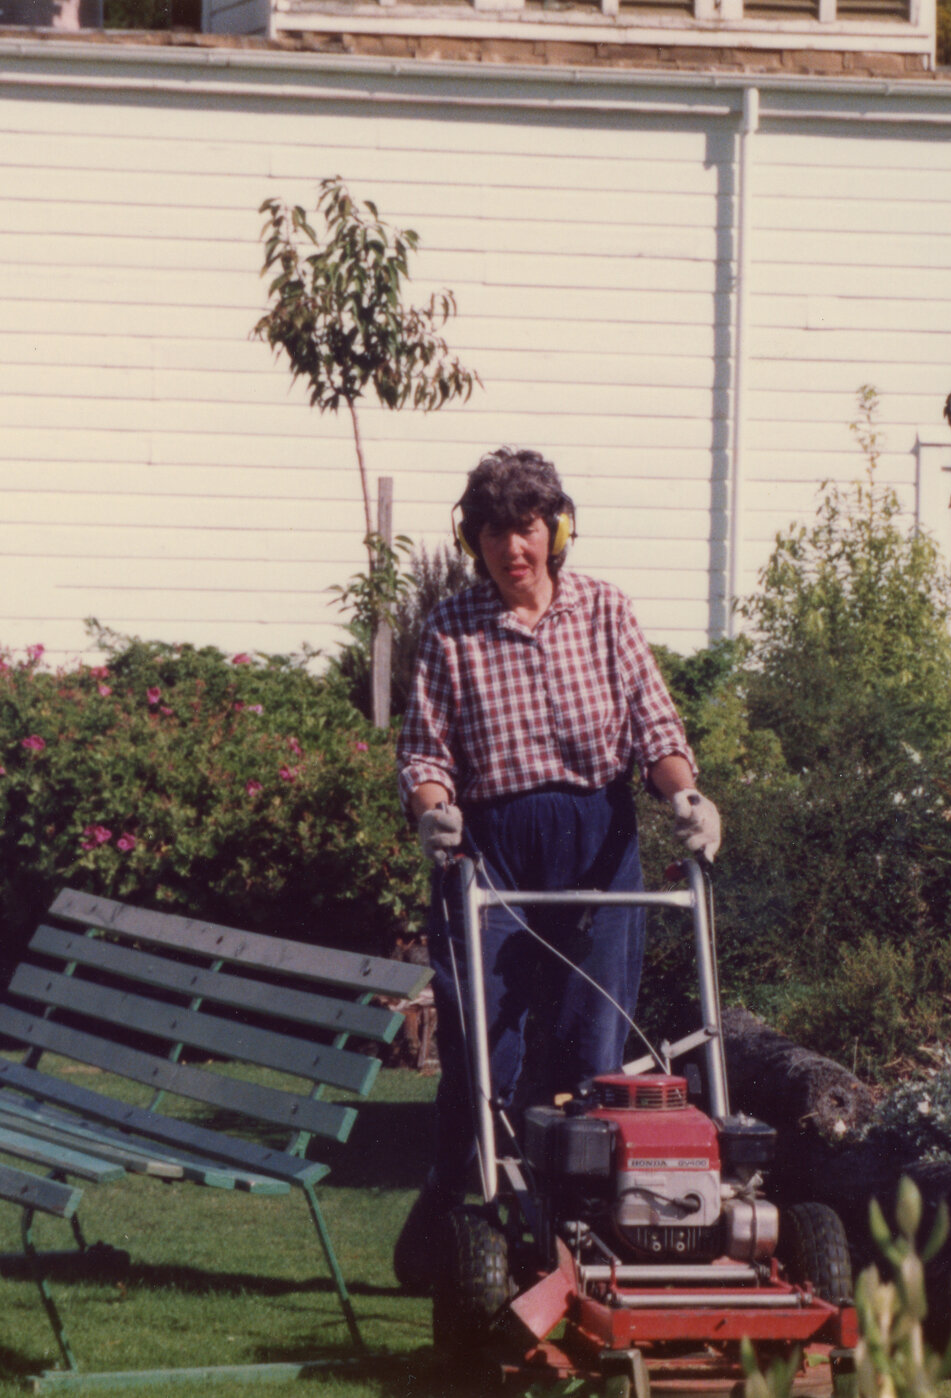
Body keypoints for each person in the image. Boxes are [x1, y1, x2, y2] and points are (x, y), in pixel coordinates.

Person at [391, 447, 722, 1290]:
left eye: (527, 529)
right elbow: (426, 752)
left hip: (598, 846)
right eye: (495, 532)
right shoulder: (450, 627)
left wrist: (687, 798)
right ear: (476, 542)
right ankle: (455, 1207)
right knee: (485, 1047)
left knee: (592, 1044)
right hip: (490, 846)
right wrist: (434, 813)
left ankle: (581, 1241)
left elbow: (655, 729)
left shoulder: (606, 611)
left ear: (557, 529)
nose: (513, 550)